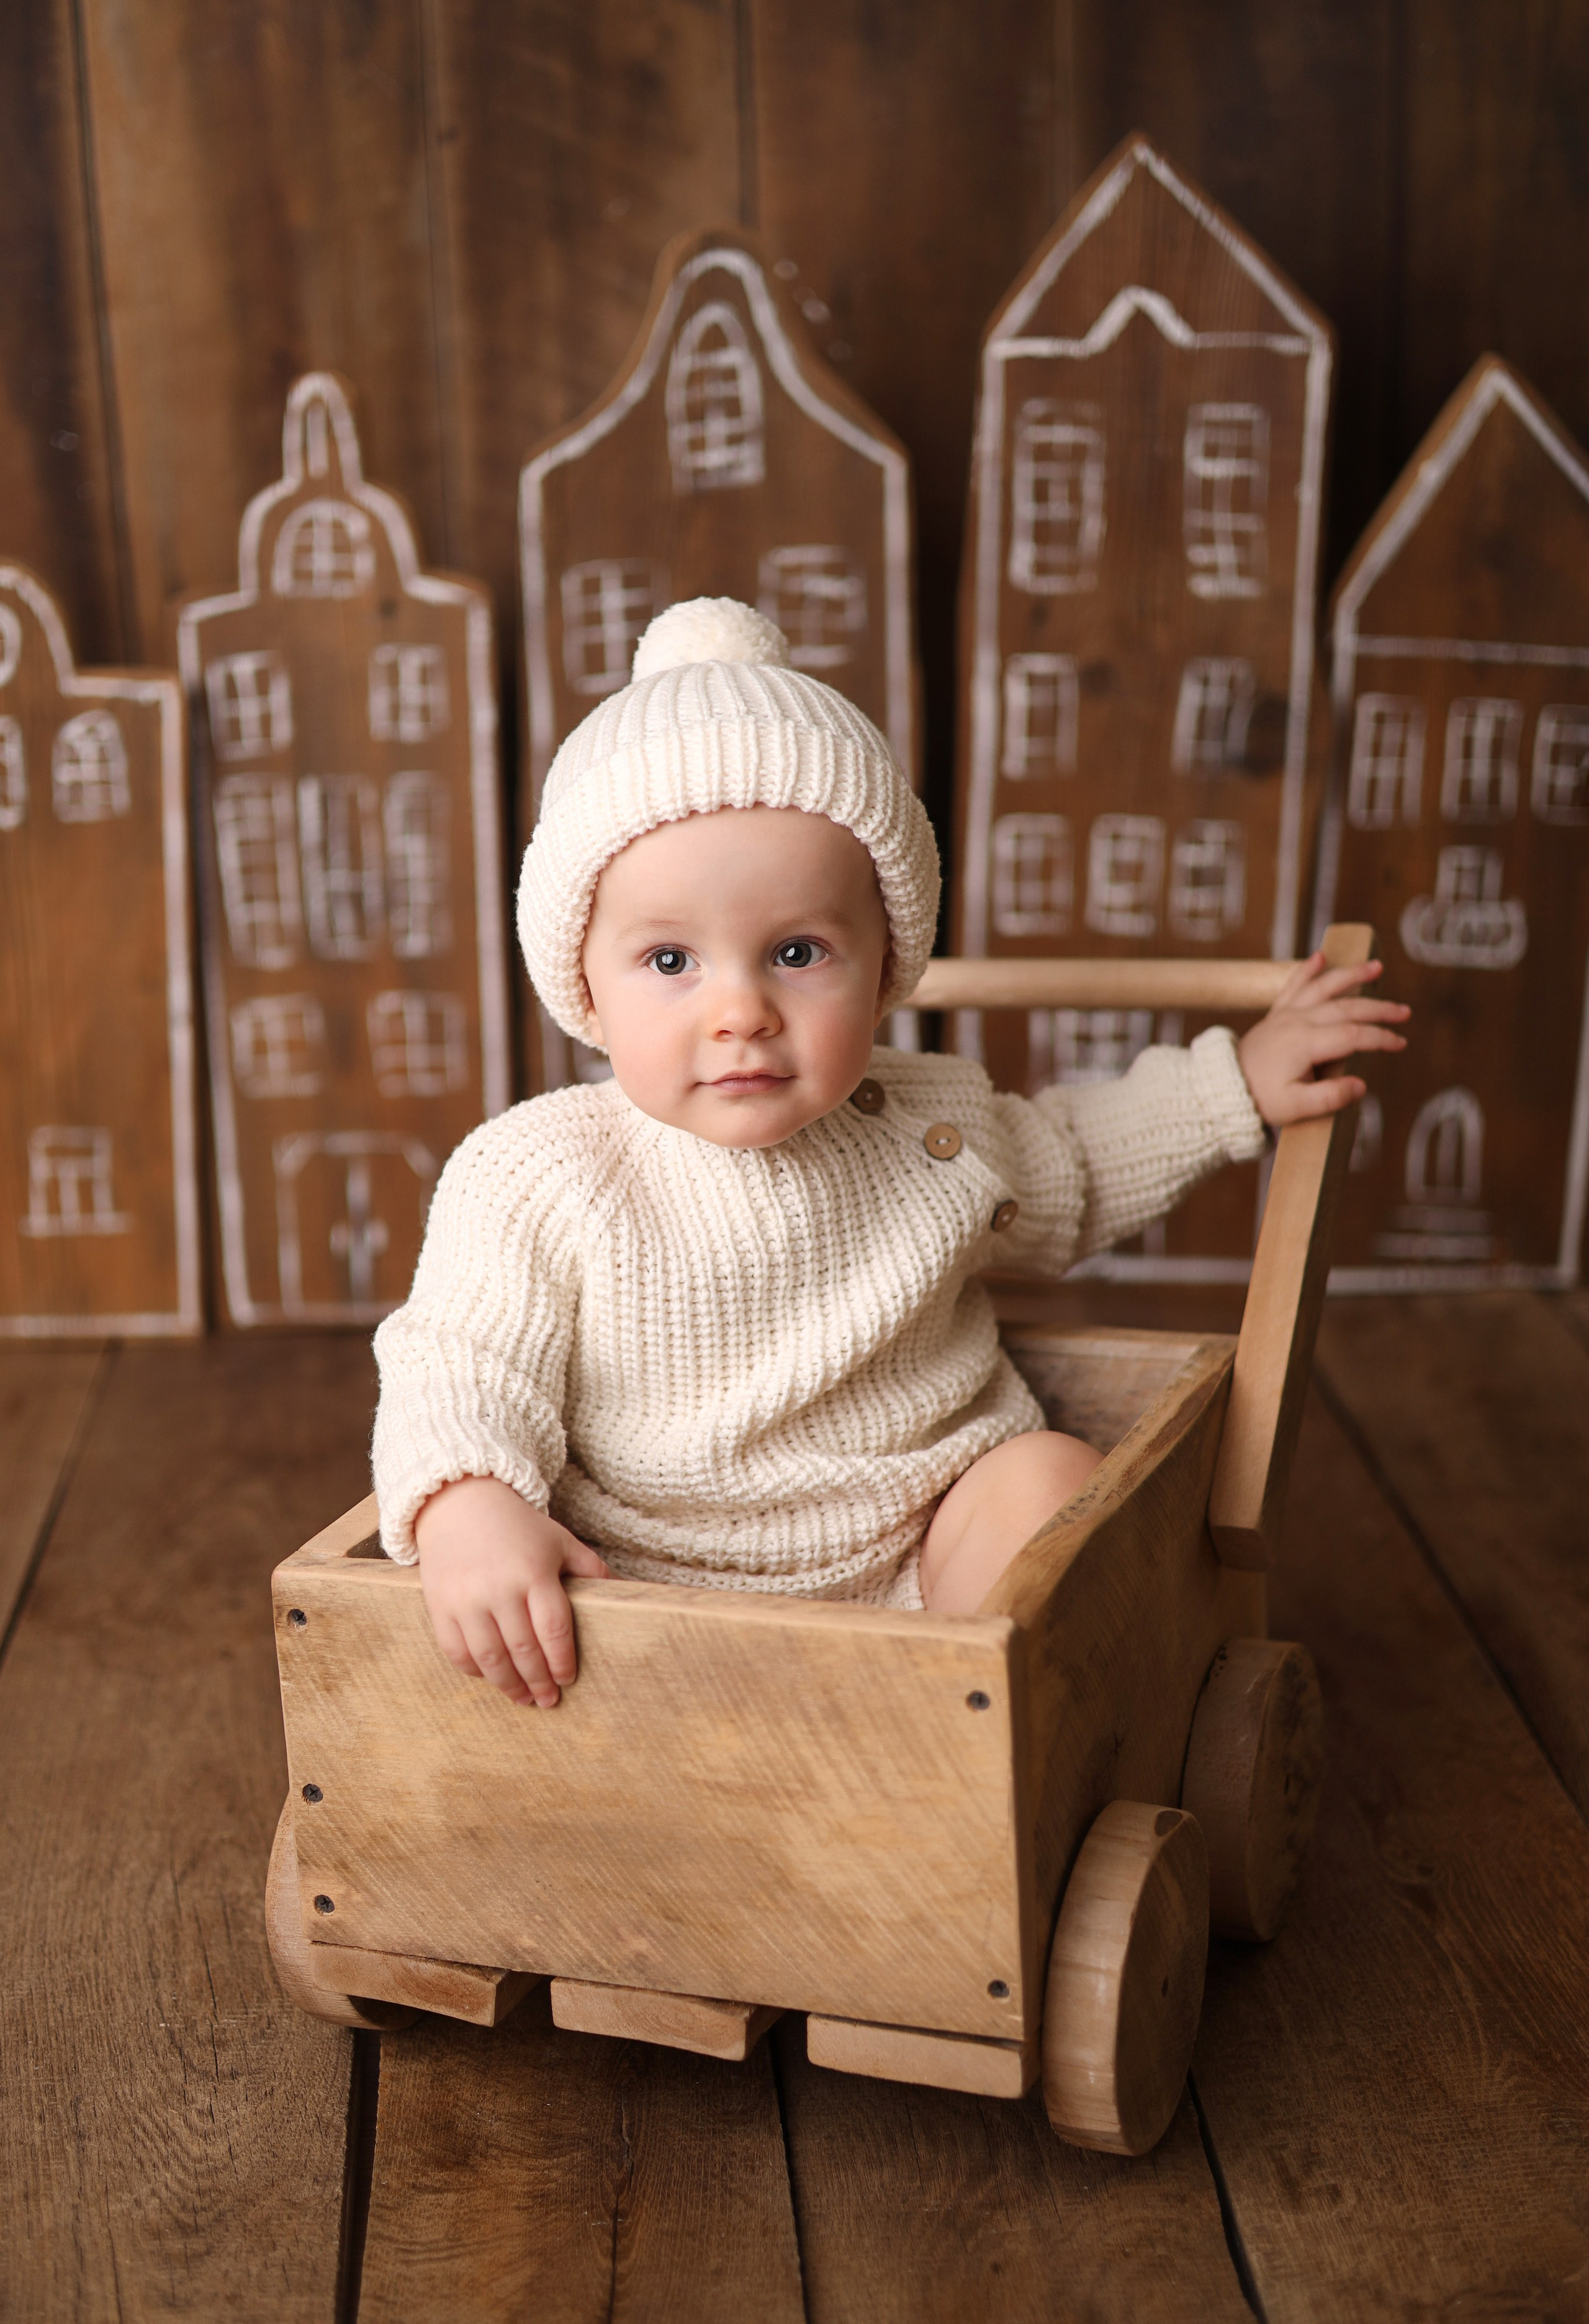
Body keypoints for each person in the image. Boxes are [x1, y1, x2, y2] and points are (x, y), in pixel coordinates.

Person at [372, 598, 1407, 1710]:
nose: (741, 1012)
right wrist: (470, 1505)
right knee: (504, 1539)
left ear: (884, 967)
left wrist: (1234, 1085)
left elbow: (1075, 1162)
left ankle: (1016, 1744)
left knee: (1054, 1484)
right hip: (638, 1600)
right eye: (670, 959)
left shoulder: (930, 1126)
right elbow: (460, 1361)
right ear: (583, 981)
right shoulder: (538, 1174)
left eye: (798, 952)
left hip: (928, 1564)